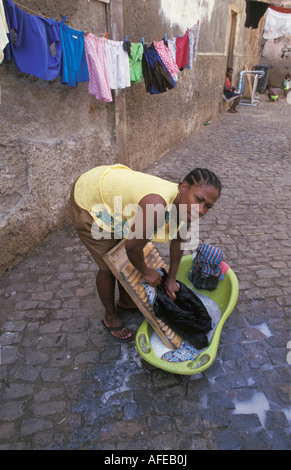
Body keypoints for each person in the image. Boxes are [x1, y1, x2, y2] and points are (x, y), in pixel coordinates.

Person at [70, 164, 221, 342]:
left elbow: (179, 240)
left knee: (124, 247)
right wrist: (146, 271)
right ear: (184, 187)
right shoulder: (157, 206)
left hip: (117, 200)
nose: (201, 210)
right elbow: (132, 248)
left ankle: (125, 301)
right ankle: (110, 317)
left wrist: (172, 279)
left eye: (208, 206)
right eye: (198, 199)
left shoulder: (185, 208)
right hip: (92, 198)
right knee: (108, 266)